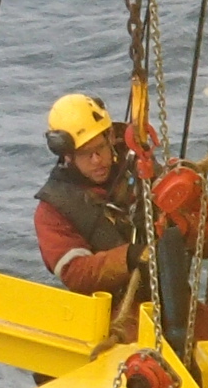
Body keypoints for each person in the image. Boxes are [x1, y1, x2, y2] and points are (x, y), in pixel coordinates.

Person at [34, 91, 151, 342]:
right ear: (68, 156)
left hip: (169, 298)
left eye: (100, 148)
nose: (97, 160)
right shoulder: (53, 211)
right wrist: (129, 257)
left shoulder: (139, 169)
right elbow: (76, 273)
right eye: (86, 154)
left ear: (110, 138)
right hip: (113, 317)